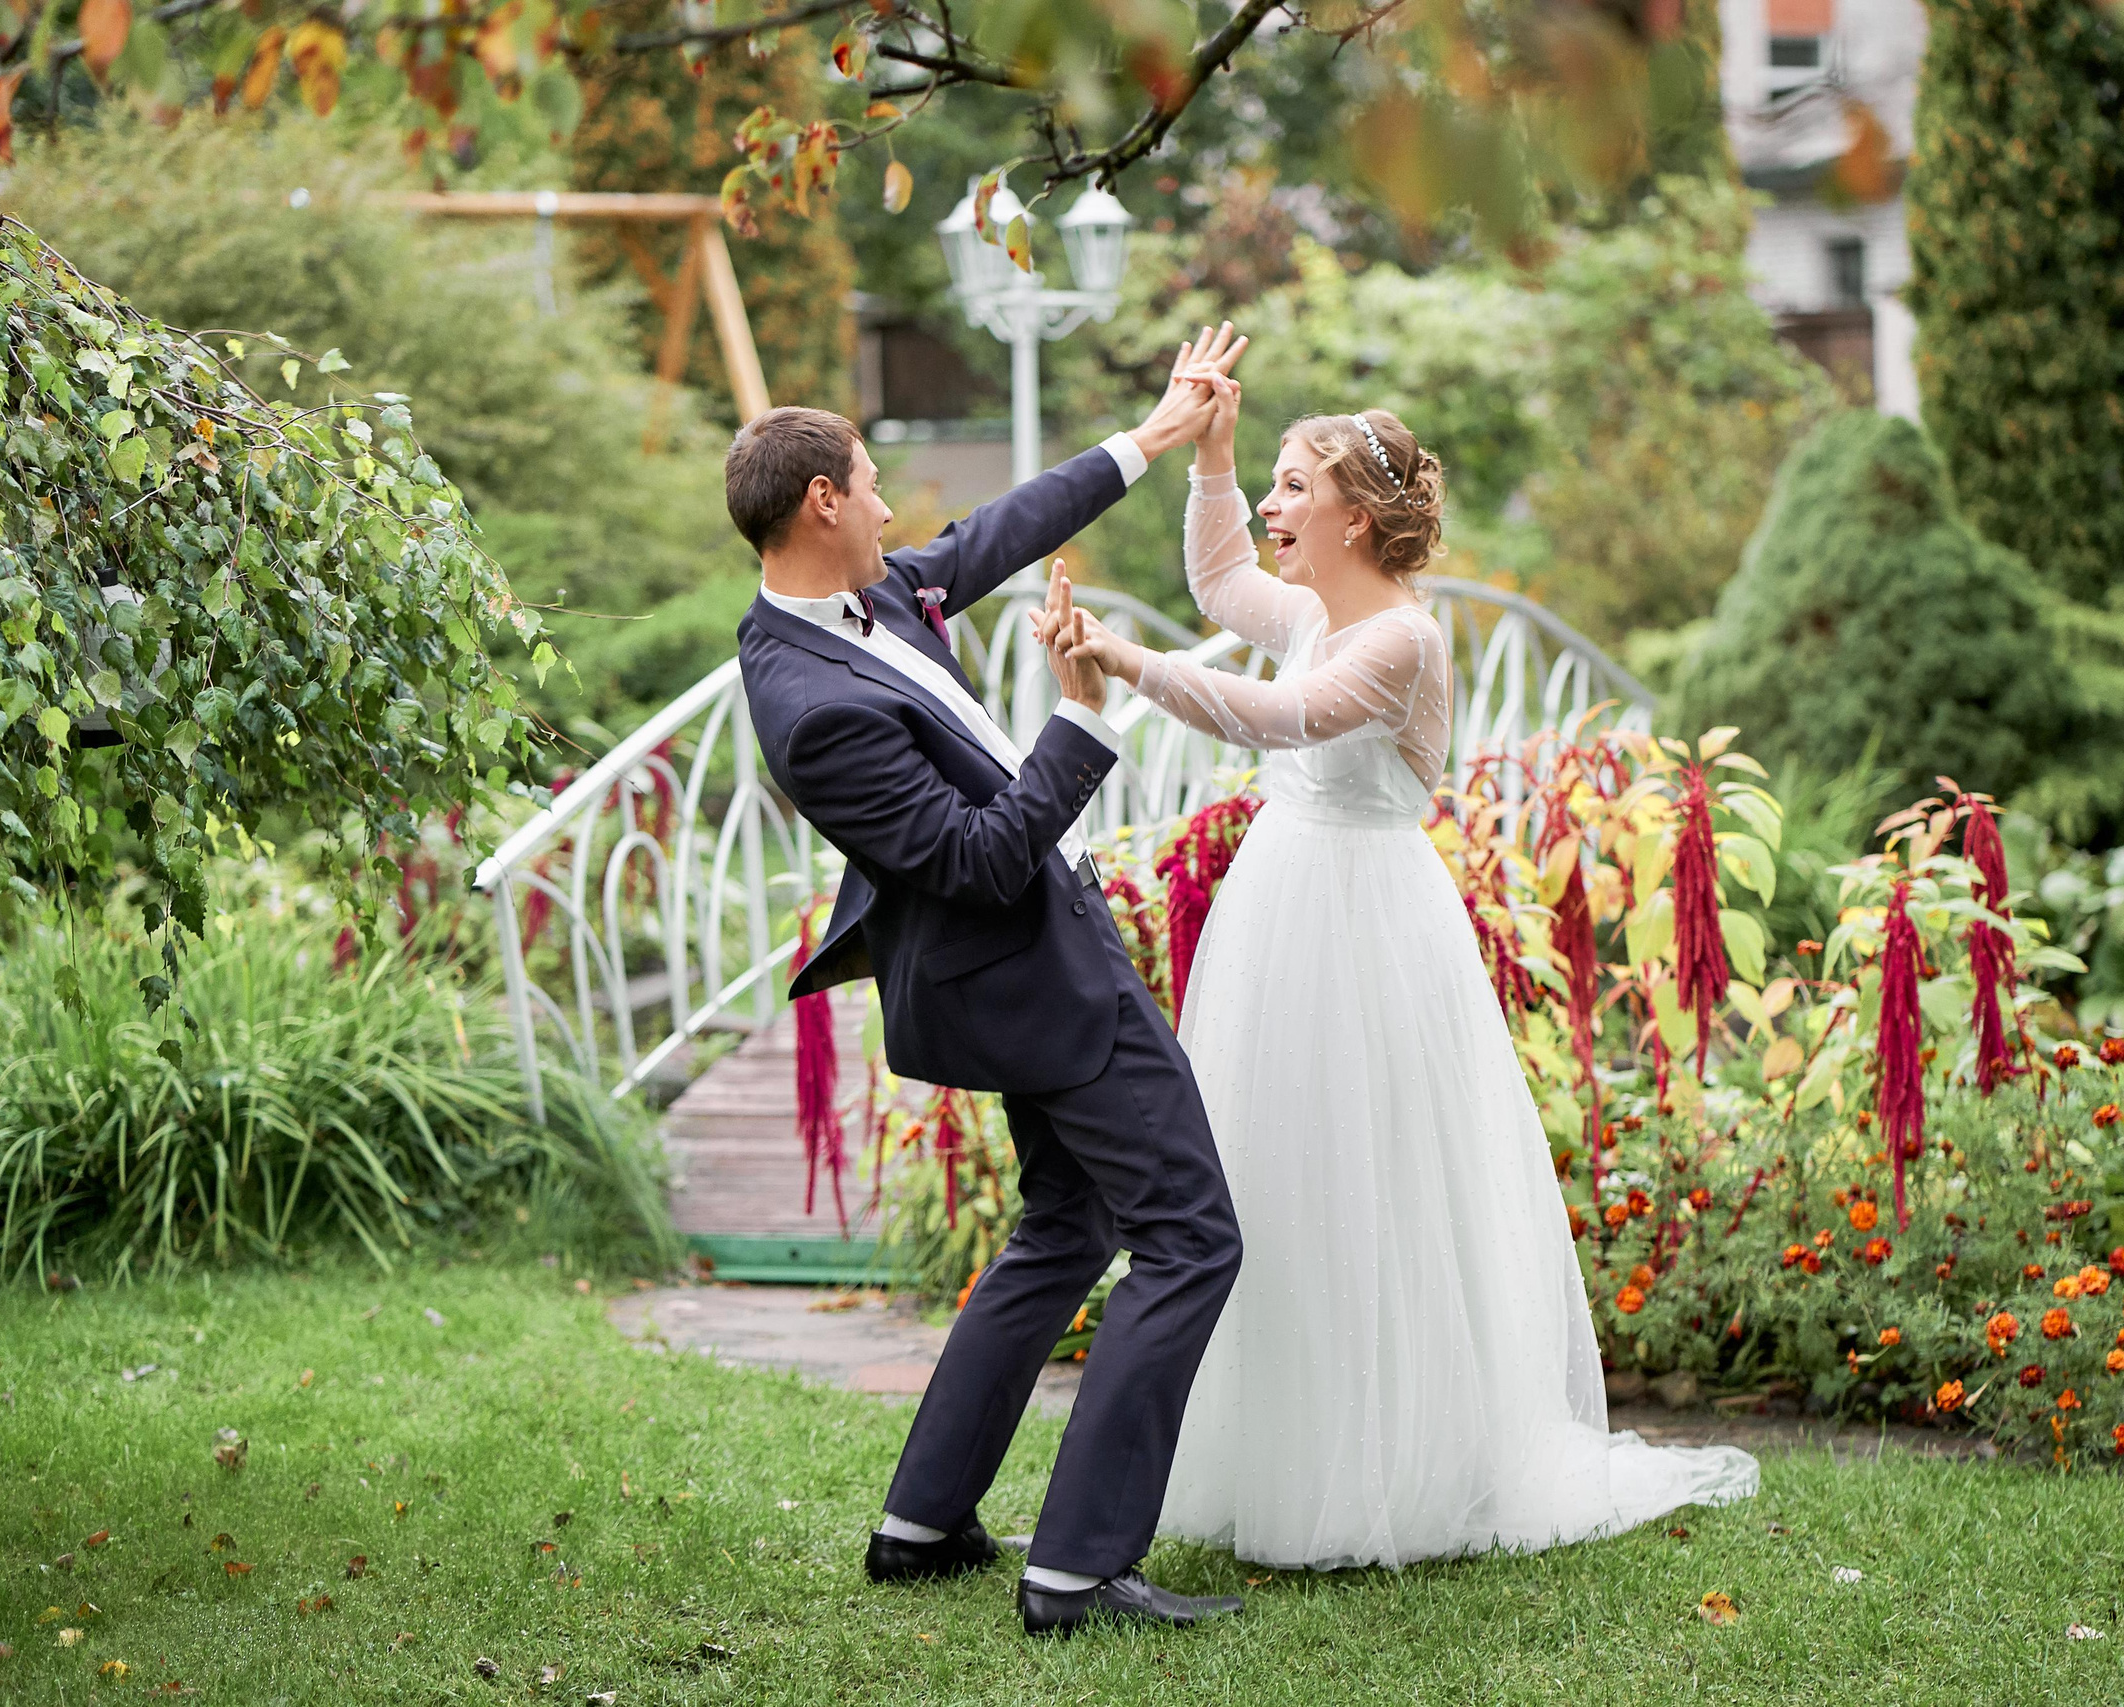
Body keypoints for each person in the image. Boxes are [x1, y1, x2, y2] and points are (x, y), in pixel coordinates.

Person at [1046, 372, 1760, 1569]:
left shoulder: (1397, 638)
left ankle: (1396, 1466)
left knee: (1369, 1176)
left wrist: (1121, 659)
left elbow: (1281, 720)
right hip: (1282, 901)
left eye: (1291, 486)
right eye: (1271, 485)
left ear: (1353, 522)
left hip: (1367, 922)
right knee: (1272, 1172)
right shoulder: (1319, 612)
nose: (1273, 505)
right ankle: (1277, 1453)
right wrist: (1212, 456)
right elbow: (1221, 584)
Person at [729, 326, 1258, 1636]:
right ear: (823, 501)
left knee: (1064, 1226)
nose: (894, 506)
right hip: (1034, 975)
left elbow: (1000, 533)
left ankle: (922, 1522)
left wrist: (1156, 433)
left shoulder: (877, 595)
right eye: (872, 478)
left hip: (1008, 972)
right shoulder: (808, 702)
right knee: (1190, 1233)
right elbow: (974, 857)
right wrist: (1081, 717)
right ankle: (1078, 1567)